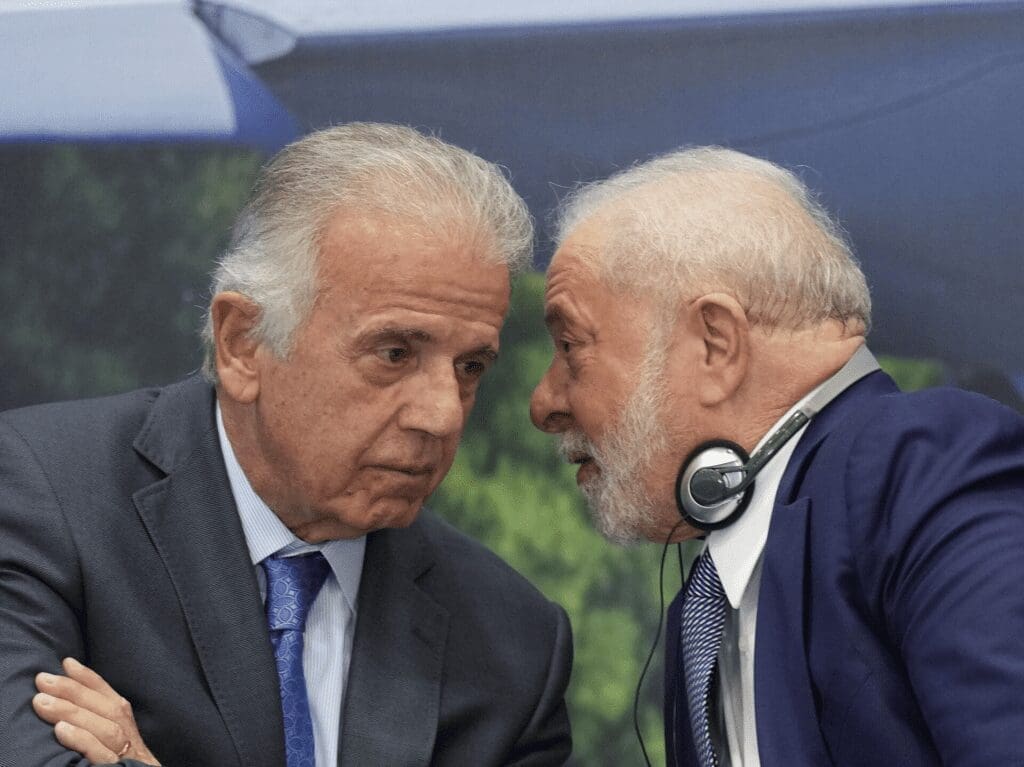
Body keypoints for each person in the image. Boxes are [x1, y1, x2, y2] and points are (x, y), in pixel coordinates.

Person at [0, 123, 572, 767]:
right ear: (243, 344)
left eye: (470, 367)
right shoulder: (38, 498)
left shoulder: (514, 646)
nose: (442, 416)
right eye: (394, 353)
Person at [529, 146, 1024, 766]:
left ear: (716, 344)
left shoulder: (921, 464)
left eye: (570, 346)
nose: (543, 403)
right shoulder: (705, 607)